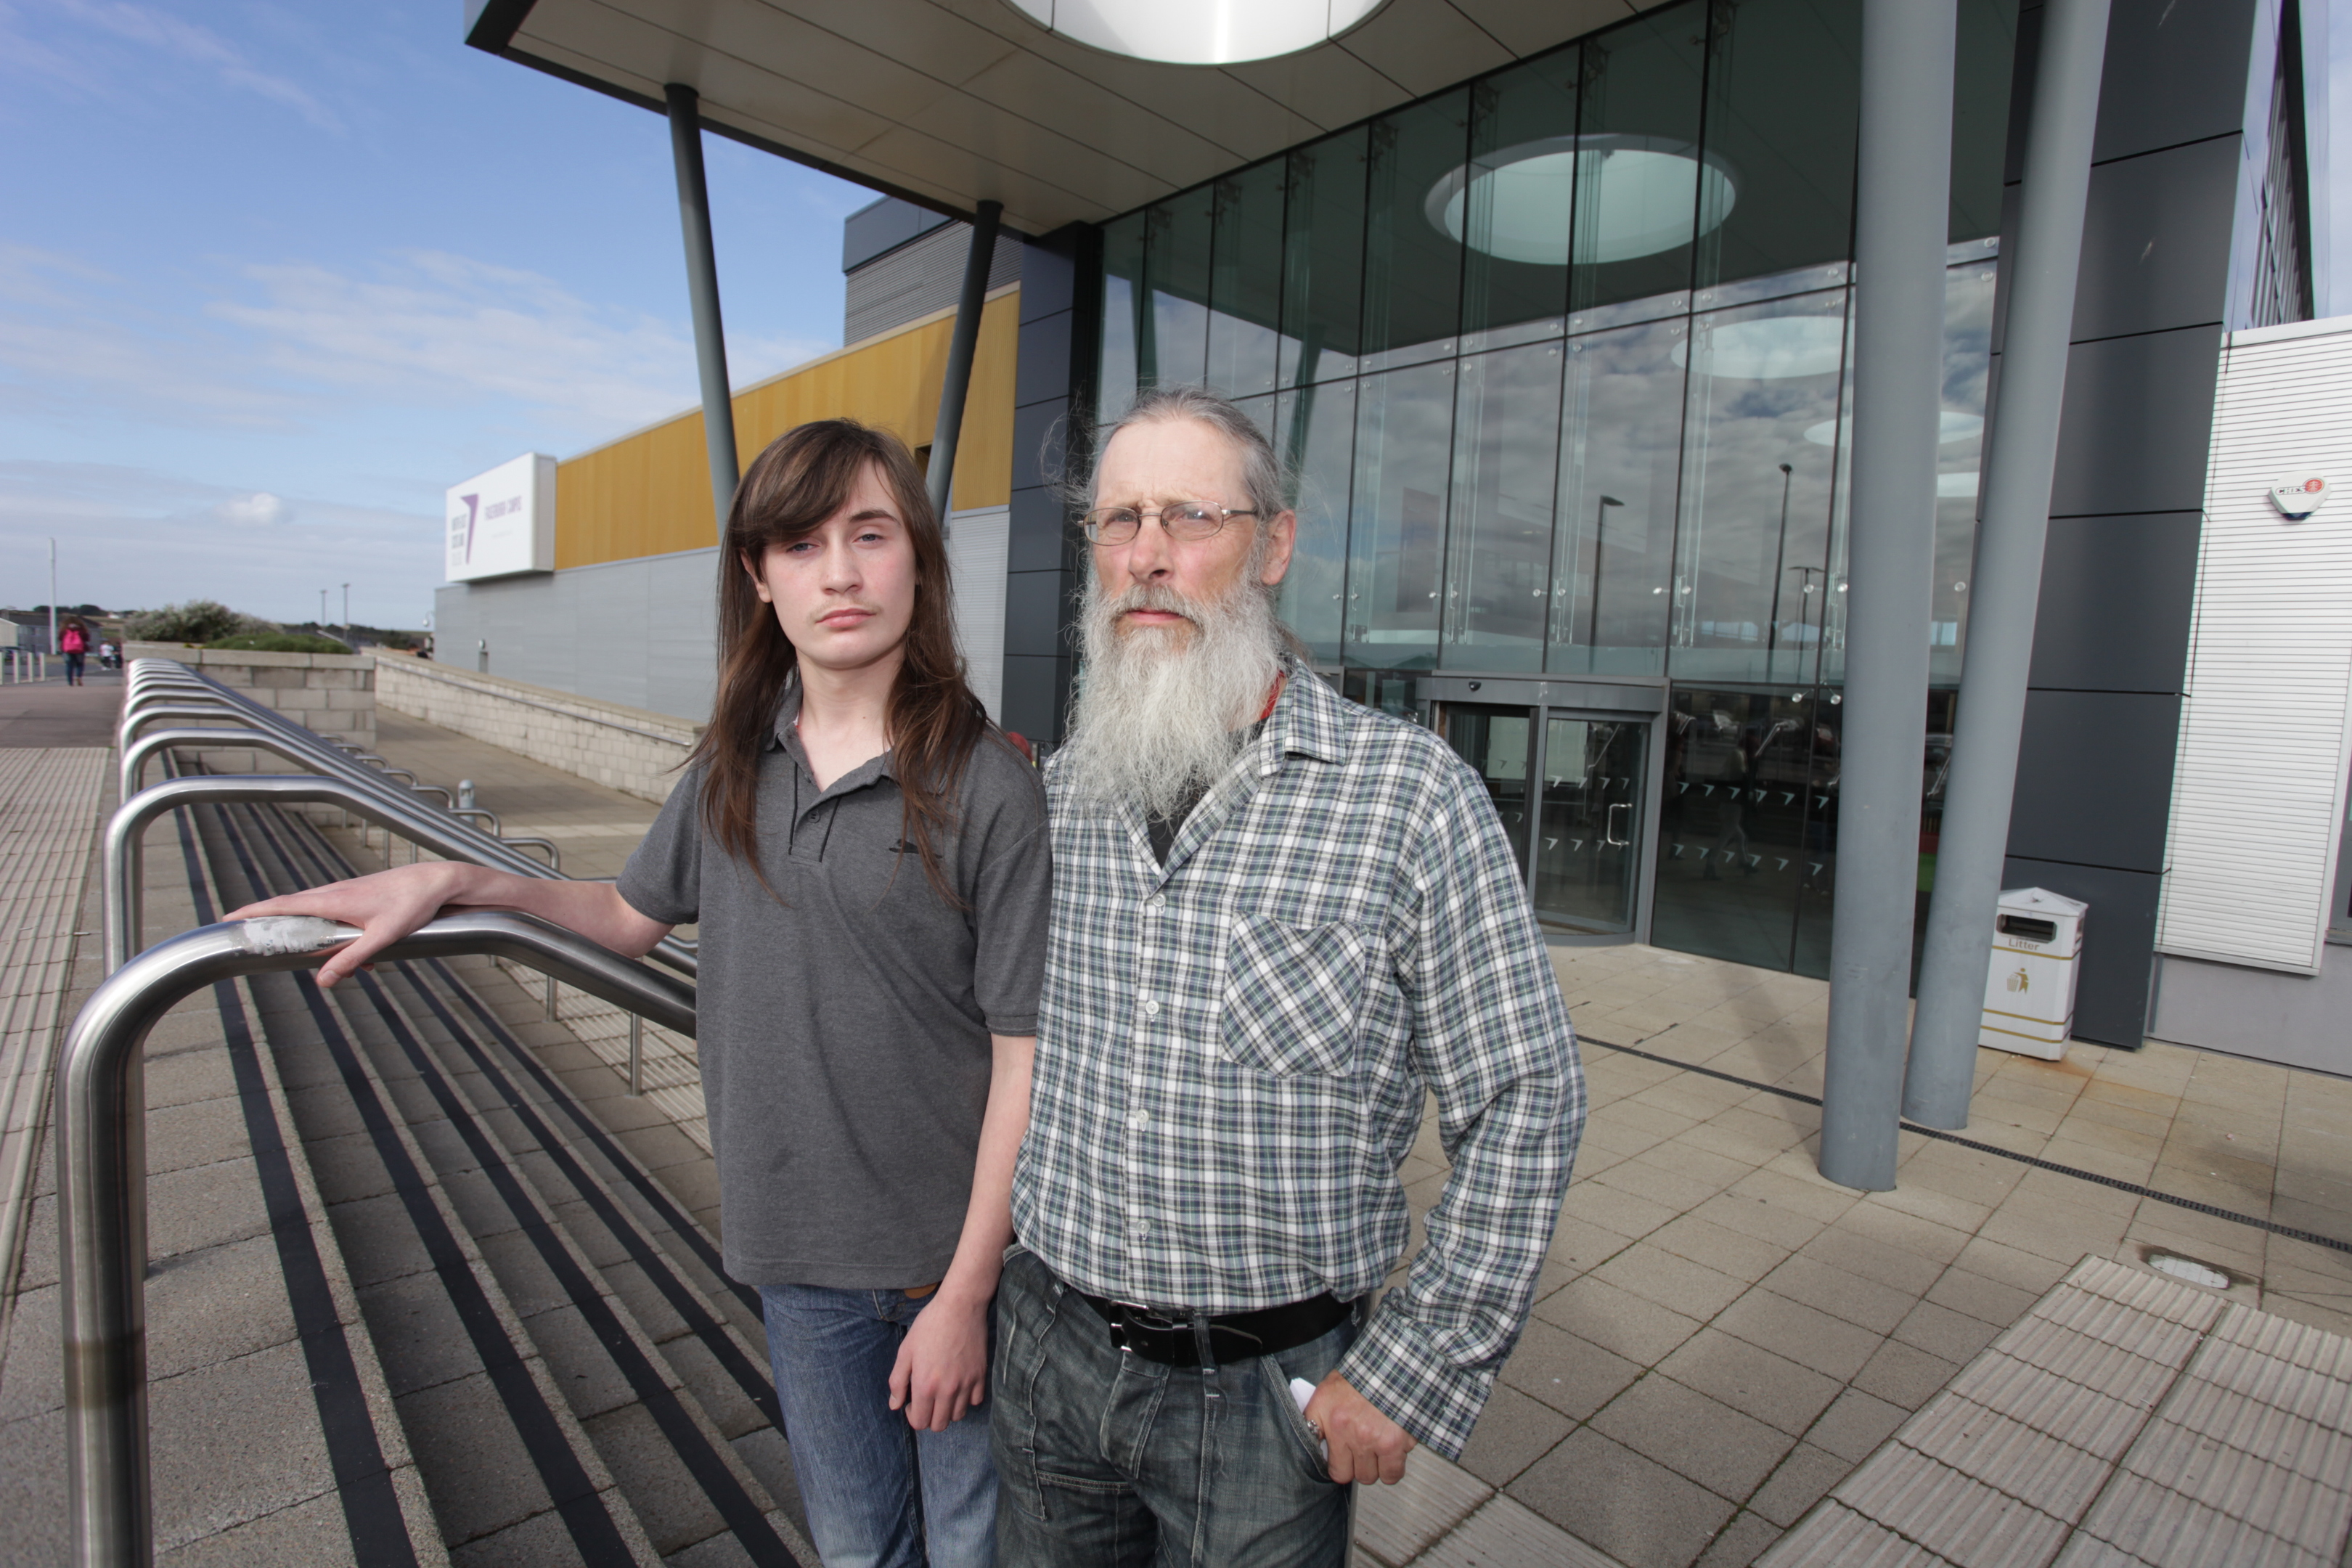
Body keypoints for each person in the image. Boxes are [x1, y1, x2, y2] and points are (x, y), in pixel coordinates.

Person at [230, 419, 1050, 1568]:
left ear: (919, 557)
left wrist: (966, 1295)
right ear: (760, 579)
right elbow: (623, 916)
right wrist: (459, 878)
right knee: (860, 1549)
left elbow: (1024, 1060)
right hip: (795, 1257)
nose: (843, 572)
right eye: (803, 544)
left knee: (973, 1551)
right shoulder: (728, 766)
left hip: (949, 1268)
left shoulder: (991, 785)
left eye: (871, 534)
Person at [994, 386, 1583, 1566]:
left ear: (1273, 544)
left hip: (1268, 1403)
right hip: (1046, 1356)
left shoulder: (1408, 797)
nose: (1147, 558)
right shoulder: (1061, 794)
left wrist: (1416, 1369)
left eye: (1188, 519)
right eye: (1118, 522)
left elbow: (1527, 1098)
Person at [60, 618, 88, 685]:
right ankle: (78, 676)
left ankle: (70, 682)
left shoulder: (64, 631)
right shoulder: (82, 630)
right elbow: (87, 639)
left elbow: (60, 638)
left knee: (69, 665)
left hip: (67, 650)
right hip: (80, 650)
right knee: (80, 664)